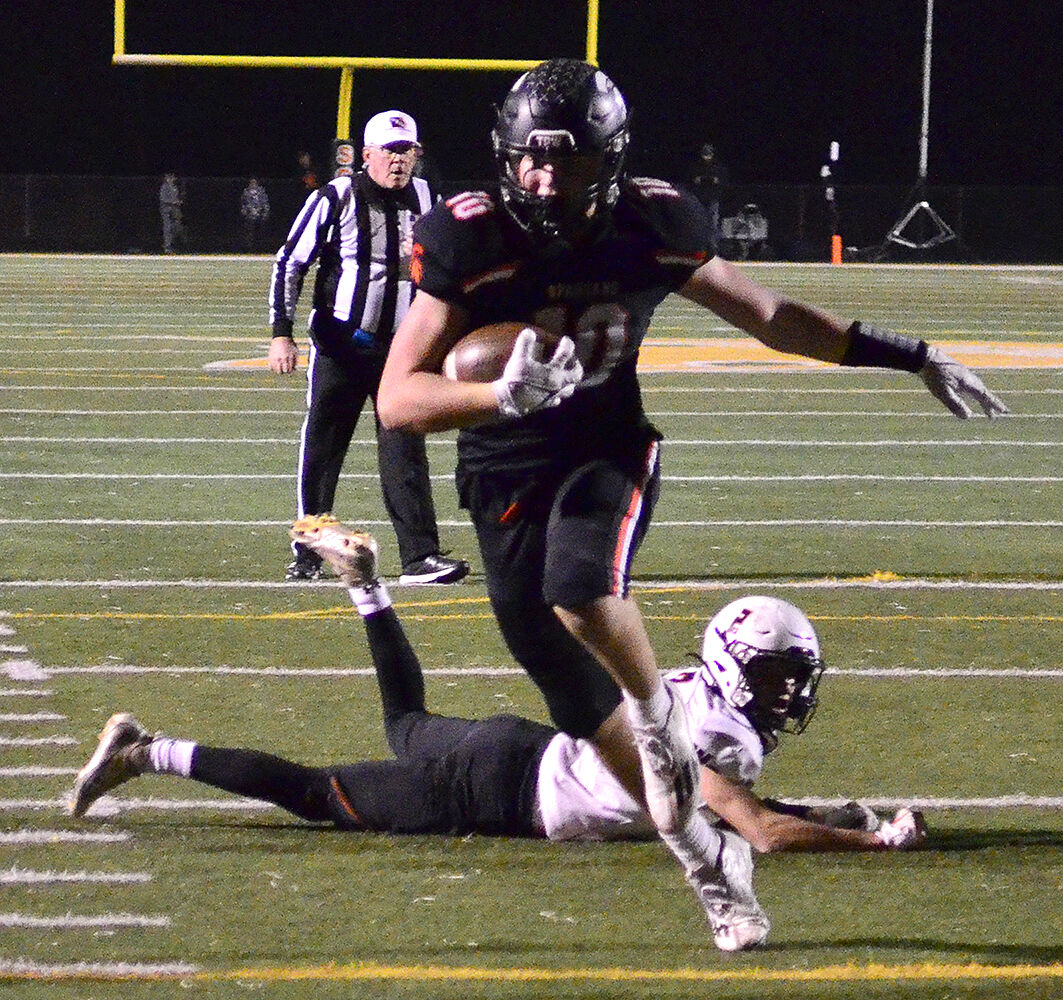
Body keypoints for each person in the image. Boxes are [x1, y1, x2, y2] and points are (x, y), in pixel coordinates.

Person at [373, 58, 1006, 945]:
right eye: (528, 160)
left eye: (565, 161)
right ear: (503, 155)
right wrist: (492, 397)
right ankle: (712, 865)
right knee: (572, 690)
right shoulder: (467, 237)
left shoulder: (651, 222)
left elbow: (769, 312)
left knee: (580, 590)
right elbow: (397, 400)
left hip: (605, 450)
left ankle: (655, 712)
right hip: (501, 470)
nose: (542, 179)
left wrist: (906, 353)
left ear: (610, 159)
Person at [67, 517, 927, 952]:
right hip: (505, 788)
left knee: (405, 726)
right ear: (739, 665)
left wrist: (842, 815)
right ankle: (144, 749)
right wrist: (872, 845)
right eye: (781, 674)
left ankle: (367, 587)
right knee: (315, 794)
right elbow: (759, 830)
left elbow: (728, 803)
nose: (791, 692)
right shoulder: (725, 736)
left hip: (516, 752)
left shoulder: (700, 695)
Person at [268, 111, 469, 585]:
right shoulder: (335, 197)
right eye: (390, 151)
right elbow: (290, 262)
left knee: (405, 447)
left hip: (400, 349)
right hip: (341, 342)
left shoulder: (428, 197)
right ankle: (308, 550)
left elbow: (447, 264)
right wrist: (282, 331)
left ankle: (420, 557)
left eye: (407, 151)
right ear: (368, 155)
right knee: (323, 445)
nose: (399, 161)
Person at [688, 142, 728, 236]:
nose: (706, 158)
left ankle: (713, 246)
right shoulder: (696, 166)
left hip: (713, 198)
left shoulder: (718, 167)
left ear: (712, 154)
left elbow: (723, 181)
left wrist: (715, 181)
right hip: (699, 198)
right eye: (705, 155)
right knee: (698, 221)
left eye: (708, 155)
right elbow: (692, 180)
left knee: (713, 223)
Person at [239, 176, 271, 252]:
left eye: (254, 182)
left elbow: (265, 203)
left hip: (260, 216)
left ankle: (260, 248)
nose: (253, 184)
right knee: (249, 233)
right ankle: (248, 248)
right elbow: (243, 203)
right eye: (252, 182)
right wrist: (246, 212)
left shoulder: (261, 192)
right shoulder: (246, 192)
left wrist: (265, 213)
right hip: (250, 216)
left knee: (260, 233)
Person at [159, 172, 184, 253]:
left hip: (174, 209)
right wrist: (174, 202)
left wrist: (177, 202)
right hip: (166, 209)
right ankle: (167, 247)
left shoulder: (174, 186)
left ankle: (174, 244)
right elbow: (163, 199)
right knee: (167, 227)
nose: (173, 179)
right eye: (171, 177)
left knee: (176, 226)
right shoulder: (164, 187)